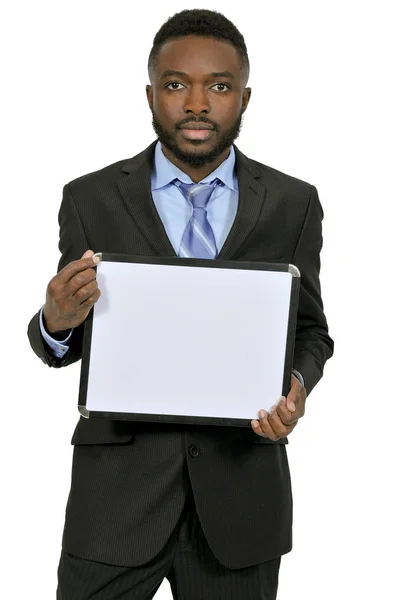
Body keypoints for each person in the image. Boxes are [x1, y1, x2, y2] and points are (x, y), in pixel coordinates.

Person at [27, 8, 334, 600]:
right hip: (116, 502)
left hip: (241, 497)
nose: (197, 103)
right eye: (176, 85)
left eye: (219, 86)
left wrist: (295, 384)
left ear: (244, 97)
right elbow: (61, 341)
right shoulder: (90, 198)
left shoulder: (293, 204)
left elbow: (312, 331)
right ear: (150, 94)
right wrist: (56, 323)